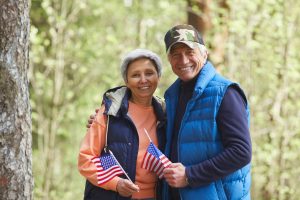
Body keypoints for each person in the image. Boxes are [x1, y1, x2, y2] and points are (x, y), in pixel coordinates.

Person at [161, 24, 252, 200]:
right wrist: (105, 121)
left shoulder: (225, 92)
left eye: (190, 52)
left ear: (204, 54)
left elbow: (241, 151)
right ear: (169, 60)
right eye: (176, 54)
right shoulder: (172, 96)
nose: (184, 60)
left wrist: (189, 175)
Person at [78, 49, 166, 200]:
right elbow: (86, 159)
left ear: (158, 76)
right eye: (135, 75)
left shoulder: (166, 113)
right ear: (126, 80)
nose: (143, 80)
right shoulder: (110, 112)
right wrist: (116, 183)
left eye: (149, 73)